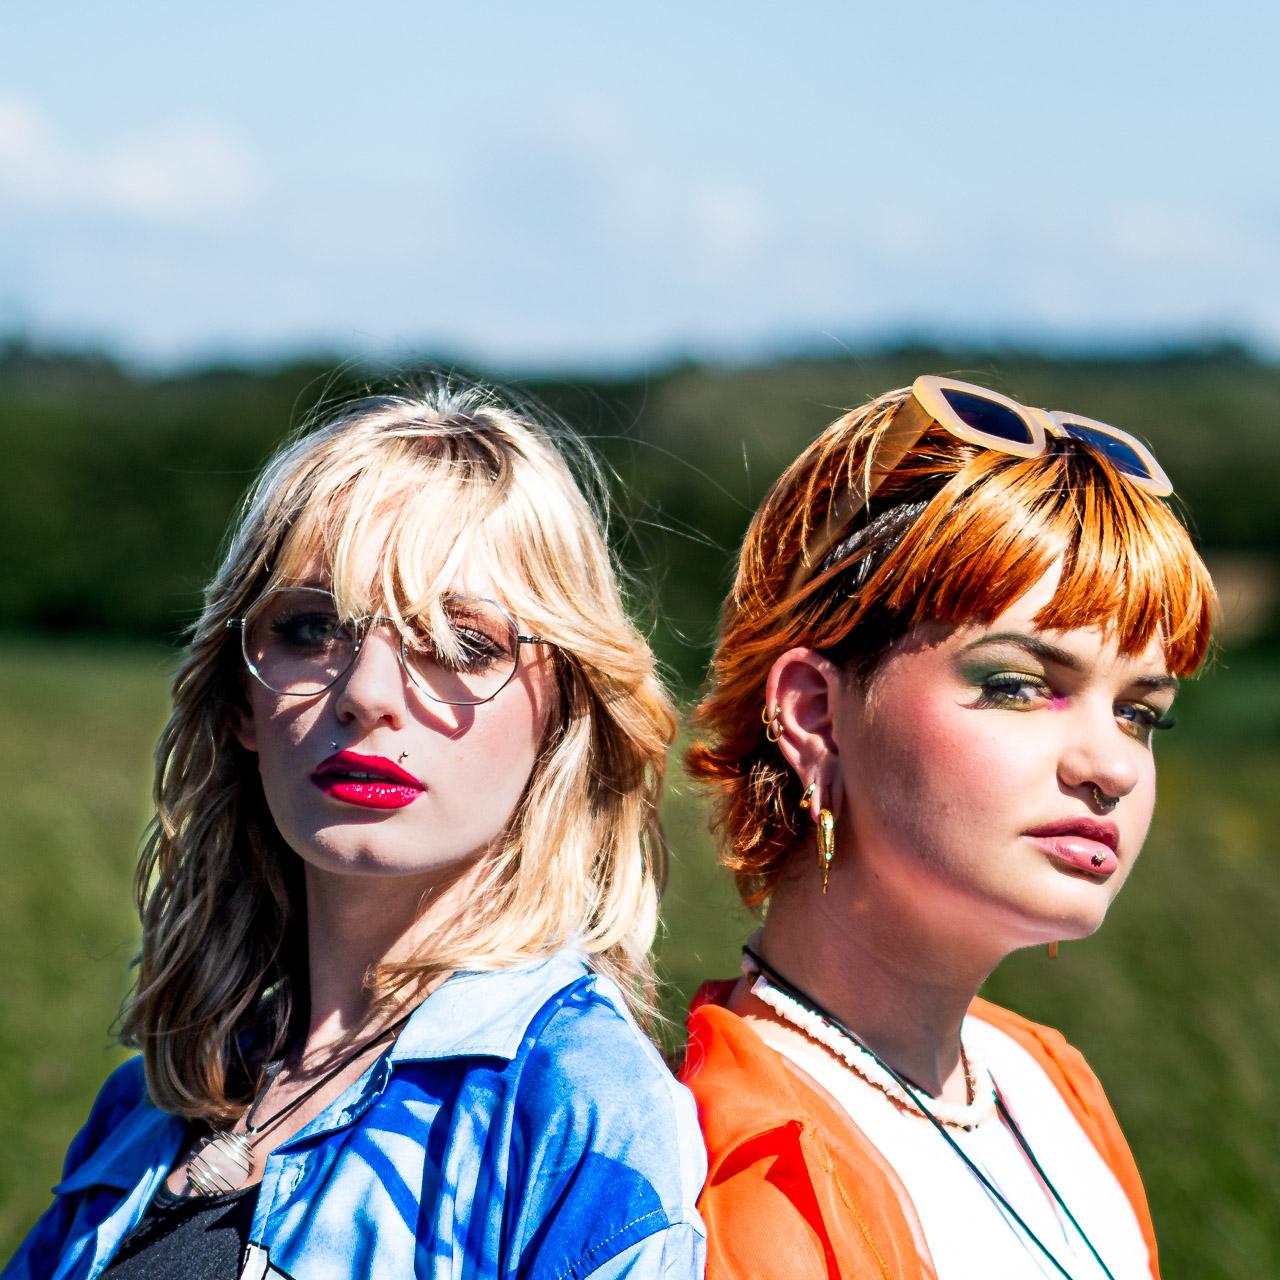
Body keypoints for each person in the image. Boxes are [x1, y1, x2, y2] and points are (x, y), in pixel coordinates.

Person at [5, 382, 707, 1280]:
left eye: (461, 642)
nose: (368, 693)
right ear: (242, 702)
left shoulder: (576, 1106)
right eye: (312, 628)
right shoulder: (149, 1107)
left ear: (564, 705)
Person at [679, 375, 1216, 1279]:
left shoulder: (1047, 1083)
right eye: (1016, 684)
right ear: (814, 714)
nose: (1112, 766)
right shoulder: (733, 1174)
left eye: (1139, 713)